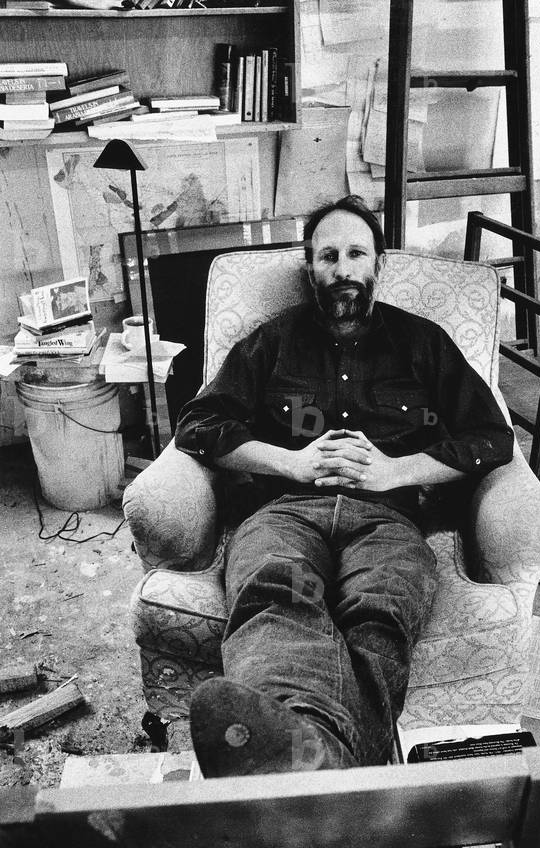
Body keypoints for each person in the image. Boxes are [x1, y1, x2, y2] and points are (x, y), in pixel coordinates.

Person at [174, 194, 515, 780]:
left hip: (388, 519)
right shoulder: (271, 341)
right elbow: (199, 426)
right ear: (309, 268)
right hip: (284, 510)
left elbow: (491, 436)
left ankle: (303, 766)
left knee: (380, 609)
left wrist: (396, 470)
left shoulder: (422, 342)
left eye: (356, 253)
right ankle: (319, 759)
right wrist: (292, 462)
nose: (343, 269)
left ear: (378, 263)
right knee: (273, 593)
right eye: (327, 255)